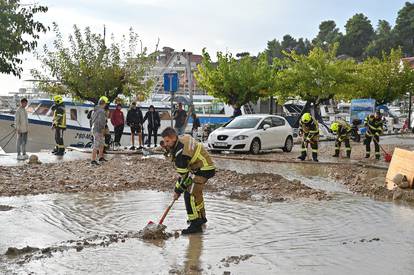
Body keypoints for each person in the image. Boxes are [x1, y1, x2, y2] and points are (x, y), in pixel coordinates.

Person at [162, 127, 215, 234]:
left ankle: (195, 225)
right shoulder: (182, 138)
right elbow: (184, 176)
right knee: (197, 192)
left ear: (173, 138)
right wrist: (177, 189)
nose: (166, 144)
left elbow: (184, 178)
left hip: (203, 169)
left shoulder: (181, 154)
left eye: (167, 141)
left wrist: (177, 191)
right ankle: (201, 218)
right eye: (164, 141)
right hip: (202, 166)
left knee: (189, 193)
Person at [90, 96, 109, 165]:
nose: (106, 105)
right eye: (105, 104)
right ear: (103, 103)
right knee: (96, 144)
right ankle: (93, 160)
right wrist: (102, 129)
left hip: (94, 128)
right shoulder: (101, 111)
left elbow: (92, 120)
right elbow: (101, 121)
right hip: (98, 129)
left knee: (101, 143)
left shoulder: (95, 110)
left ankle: (100, 157)